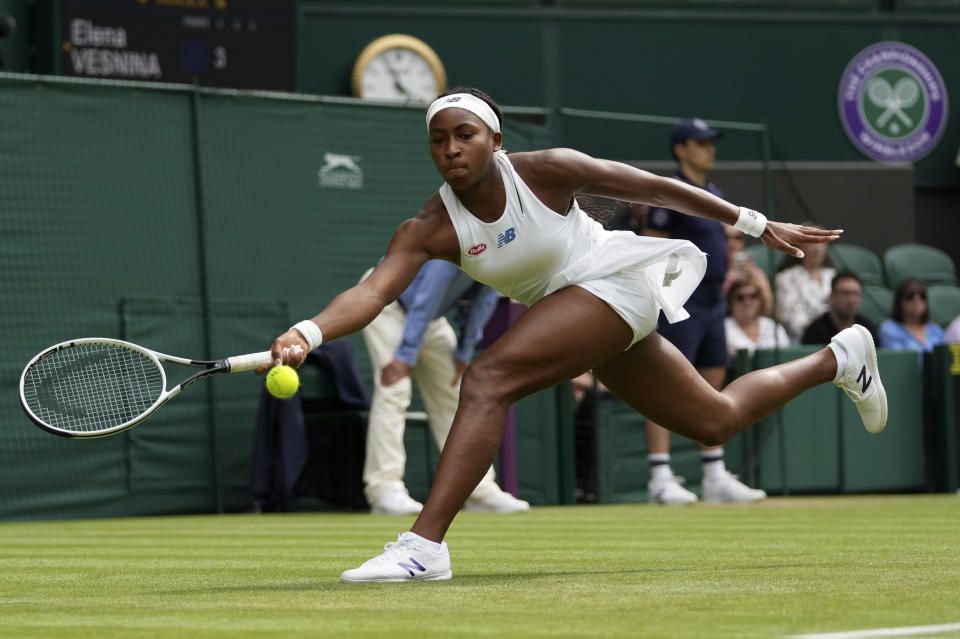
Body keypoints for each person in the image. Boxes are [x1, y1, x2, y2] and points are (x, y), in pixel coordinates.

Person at [259, 88, 885, 583]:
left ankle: (423, 547)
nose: (451, 149)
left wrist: (753, 222)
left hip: (615, 280)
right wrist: (308, 331)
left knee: (486, 378)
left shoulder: (546, 170)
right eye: (439, 139)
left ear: (495, 141)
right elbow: (371, 295)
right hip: (577, 309)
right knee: (713, 420)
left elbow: (652, 186)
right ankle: (838, 358)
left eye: (465, 136)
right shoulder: (427, 227)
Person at [641, 118, 766, 505]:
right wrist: (664, 298)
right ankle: (659, 476)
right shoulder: (670, 193)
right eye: (701, 143)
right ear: (681, 149)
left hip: (714, 300)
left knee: (712, 384)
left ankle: (713, 473)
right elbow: (651, 249)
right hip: (680, 298)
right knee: (664, 386)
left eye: (711, 143)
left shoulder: (714, 192)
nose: (709, 149)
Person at [360, 258, 529, 515]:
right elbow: (430, 290)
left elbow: (484, 298)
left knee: (458, 394)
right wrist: (405, 355)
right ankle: (384, 489)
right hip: (386, 301)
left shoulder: (497, 250)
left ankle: (478, 489)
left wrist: (463, 353)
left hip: (429, 316)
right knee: (394, 389)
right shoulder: (457, 239)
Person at [775, 225, 836, 342]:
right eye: (812, 242)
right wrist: (814, 330)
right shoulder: (786, 277)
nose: (817, 249)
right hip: (802, 338)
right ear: (799, 245)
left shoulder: (833, 275)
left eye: (822, 243)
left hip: (833, 335)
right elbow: (789, 314)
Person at [802, 272, 879, 346]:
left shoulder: (868, 331)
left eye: (855, 293)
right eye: (845, 293)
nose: (851, 300)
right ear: (832, 296)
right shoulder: (815, 332)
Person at [725, 276, 790, 355]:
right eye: (740, 297)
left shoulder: (773, 327)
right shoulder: (722, 329)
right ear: (730, 302)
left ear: (760, 300)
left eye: (753, 296)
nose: (747, 302)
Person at [879, 279, 945, 353]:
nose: (917, 300)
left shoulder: (936, 330)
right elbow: (898, 361)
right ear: (899, 302)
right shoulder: (889, 329)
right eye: (910, 296)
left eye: (922, 296)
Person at [724, 226, 774, 318]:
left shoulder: (756, 272)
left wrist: (755, 276)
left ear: (742, 243)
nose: (731, 243)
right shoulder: (713, 273)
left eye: (737, 238)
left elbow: (768, 310)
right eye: (725, 237)